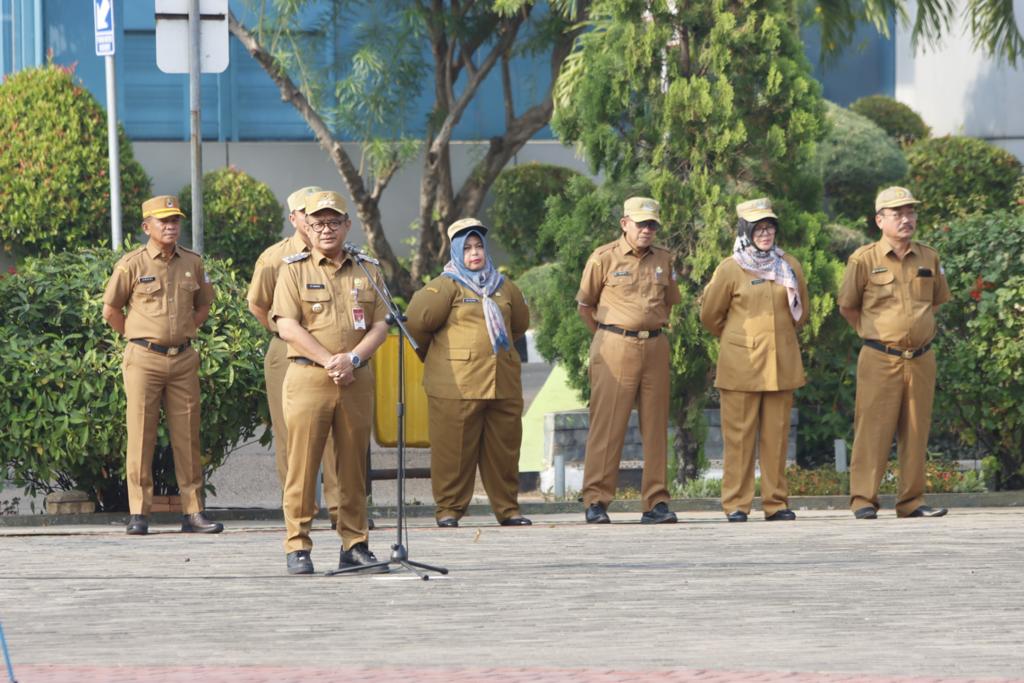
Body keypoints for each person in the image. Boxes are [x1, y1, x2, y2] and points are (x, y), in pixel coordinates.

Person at [271, 190, 388, 575]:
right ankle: (298, 545)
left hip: (355, 377)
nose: (326, 230)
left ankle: (354, 543)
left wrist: (353, 359)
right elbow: (286, 324)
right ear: (306, 225)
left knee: (352, 466)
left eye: (333, 222)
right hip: (309, 376)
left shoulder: (366, 267)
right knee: (303, 466)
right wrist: (329, 361)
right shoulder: (294, 269)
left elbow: (381, 324)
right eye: (318, 223)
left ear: (347, 225)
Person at [102, 195, 223, 536]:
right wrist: (140, 339)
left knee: (188, 437)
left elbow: (203, 306)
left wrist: (184, 332)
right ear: (146, 227)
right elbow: (111, 311)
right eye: (163, 221)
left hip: (184, 358)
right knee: (141, 434)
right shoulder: (132, 264)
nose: (171, 226)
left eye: (175, 220)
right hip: (144, 359)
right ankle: (139, 513)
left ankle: (194, 512)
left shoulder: (192, 263)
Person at [405, 218, 532, 528]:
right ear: (456, 251)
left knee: (504, 449)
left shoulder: (503, 286)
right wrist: (435, 356)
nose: (474, 253)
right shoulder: (445, 286)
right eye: (468, 247)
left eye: (478, 246)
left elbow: (520, 324)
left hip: (501, 382)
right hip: (456, 384)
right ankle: (449, 509)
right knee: (454, 451)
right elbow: (416, 325)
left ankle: (508, 509)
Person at [838, 186, 951, 520]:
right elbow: (848, 306)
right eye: (898, 213)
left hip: (920, 357)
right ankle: (863, 499)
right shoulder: (864, 259)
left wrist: (915, 331)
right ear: (879, 220)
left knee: (917, 430)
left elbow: (937, 301)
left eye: (911, 212)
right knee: (872, 428)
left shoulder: (929, 257)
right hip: (879, 357)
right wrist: (875, 334)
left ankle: (912, 501)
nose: (907, 219)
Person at [700, 198, 810, 522]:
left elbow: (801, 311)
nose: (765, 233)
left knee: (776, 439)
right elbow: (710, 315)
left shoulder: (788, 265)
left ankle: (776, 503)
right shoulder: (730, 268)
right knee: (739, 439)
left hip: (781, 364)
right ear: (745, 231)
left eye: (770, 227)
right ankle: (737, 504)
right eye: (758, 228)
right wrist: (738, 340)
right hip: (741, 365)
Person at [576, 197, 681, 524]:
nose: (647, 231)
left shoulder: (663, 258)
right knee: (608, 425)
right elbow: (584, 306)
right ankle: (596, 500)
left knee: (655, 426)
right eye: (641, 224)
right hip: (614, 345)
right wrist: (608, 335)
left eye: (652, 225)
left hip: (654, 346)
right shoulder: (603, 258)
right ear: (625, 224)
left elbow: (670, 301)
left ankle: (656, 502)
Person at [247, 185, 342, 529]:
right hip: (287, 351)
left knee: (338, 432)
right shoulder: (276, 257)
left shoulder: (342, 253)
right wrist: (284, 330)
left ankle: (340, 508)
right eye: (306, 212)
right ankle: (297, 512)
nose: (313, 218)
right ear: (294, 218)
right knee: (291, 432)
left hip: (336, 353)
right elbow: (258, 304)